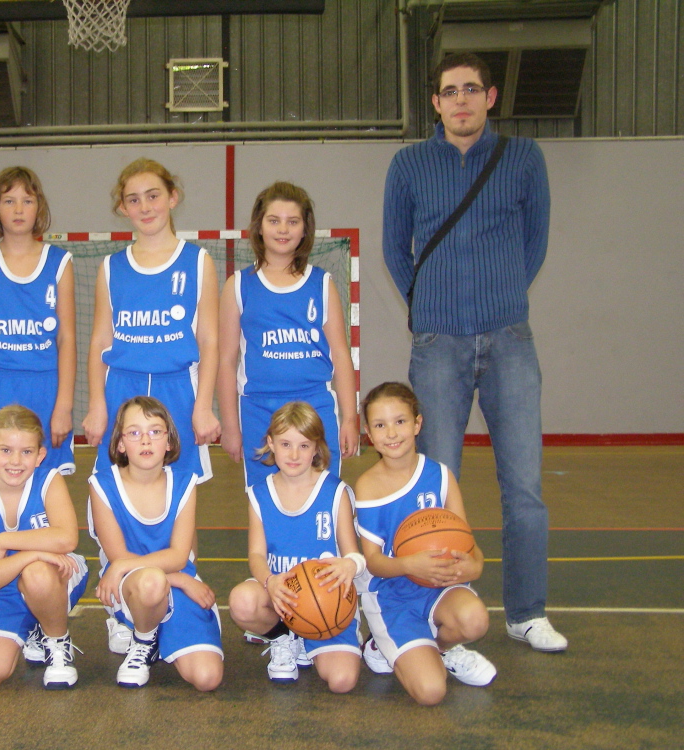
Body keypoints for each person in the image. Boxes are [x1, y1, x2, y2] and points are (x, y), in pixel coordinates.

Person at [382, 52, 567, 652]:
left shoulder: (523, 159)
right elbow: (394, 249)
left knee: (524, 488)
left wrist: (502, 297)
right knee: (435, 489)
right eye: (448, 92)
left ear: (490, 98)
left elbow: (534, 243)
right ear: (435, 103)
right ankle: (441, 615)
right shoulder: (409, 163)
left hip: (510, 339)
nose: (460, 100)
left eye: (471, 90)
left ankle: (527, 612)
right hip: (438, 345)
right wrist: (432, 309)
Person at [354, 382, 495, 706]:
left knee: (475, 620)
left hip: (438, 585)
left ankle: (441, 649)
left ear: (418, 423)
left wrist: (474, 564)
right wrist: (409, 565)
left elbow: (467, 541)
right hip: (391, 594)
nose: (391, 432)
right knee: (431, 692)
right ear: (369, 434)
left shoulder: (441, 476)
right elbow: (373, 562)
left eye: (400, 421)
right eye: (380, 425)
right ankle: (380, 645)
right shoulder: (368, 486)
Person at [82, 157, 220, 485]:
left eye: (153, 195)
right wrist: (96, 405)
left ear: (173, 197)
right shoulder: (111, 267)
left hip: (179, 392)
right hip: (120, 390)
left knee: (181, 498)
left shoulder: (199, 262)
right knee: (120, 493)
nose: (145, 206)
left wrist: (203, 407)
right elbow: (100, 341)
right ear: (123, 207)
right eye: (134, 199)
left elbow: (210, 342)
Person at [218, 181, 357, 489]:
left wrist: (349, 416)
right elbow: (226, 361)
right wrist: (230, 425)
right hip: (259, 409)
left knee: (322, 498)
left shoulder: (322, 284)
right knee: (265, 502)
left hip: (315, 406)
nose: (283, 229)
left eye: (293, 222)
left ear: (305, 229)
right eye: (274, 220)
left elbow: (340, 355)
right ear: (259, 226)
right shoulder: (237, 286)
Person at [88, 396, 223, 691]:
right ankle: (143, 637)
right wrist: (182, 580)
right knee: (150, 582)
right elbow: (119, 558)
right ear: (120, 443)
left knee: (207, 678)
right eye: (134, 433)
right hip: (132, 586)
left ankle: (164, 631)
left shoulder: (186, 481)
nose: (145, 441)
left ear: (170, 442)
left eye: (155, 431)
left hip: (173, 578)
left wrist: (182, 581)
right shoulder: (102, 484)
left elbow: (178, 556)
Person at [228, 402, 364, 693]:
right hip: (280, 594)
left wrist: (350, 564)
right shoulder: (259, 494)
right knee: (242, 600)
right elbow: (256, 555)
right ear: (271, 444)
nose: (293, 454)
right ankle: (282, 637)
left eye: (304, 445)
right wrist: (270, 581)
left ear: (316, 448)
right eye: (286, 444)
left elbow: (353, 552)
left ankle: (314, 636)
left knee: (342, 681)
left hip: (325, 602)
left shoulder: (335, 492)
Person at [0, 405, 88, 690]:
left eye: (27, 452)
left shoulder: (49, 481)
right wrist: (34, 552)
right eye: (6, 450)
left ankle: (57, 642)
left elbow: (67, 539)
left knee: (37, 574)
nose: (16, 461)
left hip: (55, 576)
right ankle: (32, 627)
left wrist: (6, 540)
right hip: (1, 590)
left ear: (40, 455)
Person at [0, 167, 75, 481]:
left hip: (46, 388)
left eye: (27, 200)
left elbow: (66, 338)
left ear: (39, 207)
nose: (18, 209)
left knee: (46, 486)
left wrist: (64, 405)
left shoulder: (60, 263)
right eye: (9, 201)